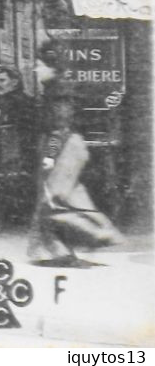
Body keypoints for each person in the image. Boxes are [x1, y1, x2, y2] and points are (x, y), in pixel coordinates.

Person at [28, 88, 121, 267]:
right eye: (62, 108)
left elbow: (52, 157)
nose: (65, 111)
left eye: (67, 108)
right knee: (58, 214)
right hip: (58, 182)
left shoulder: (64, 135)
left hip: (59, 182)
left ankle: (59, 251)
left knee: (57, 214)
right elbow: (50, 156)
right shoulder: (59, 136)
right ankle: (60, 251)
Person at [0, 65, 39, 229]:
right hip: (24, 149)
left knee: (11, 181)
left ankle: (12, 218)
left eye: (2, 80)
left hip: (16, 149)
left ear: (15, 82)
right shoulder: (26, 99)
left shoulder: (9, 101)